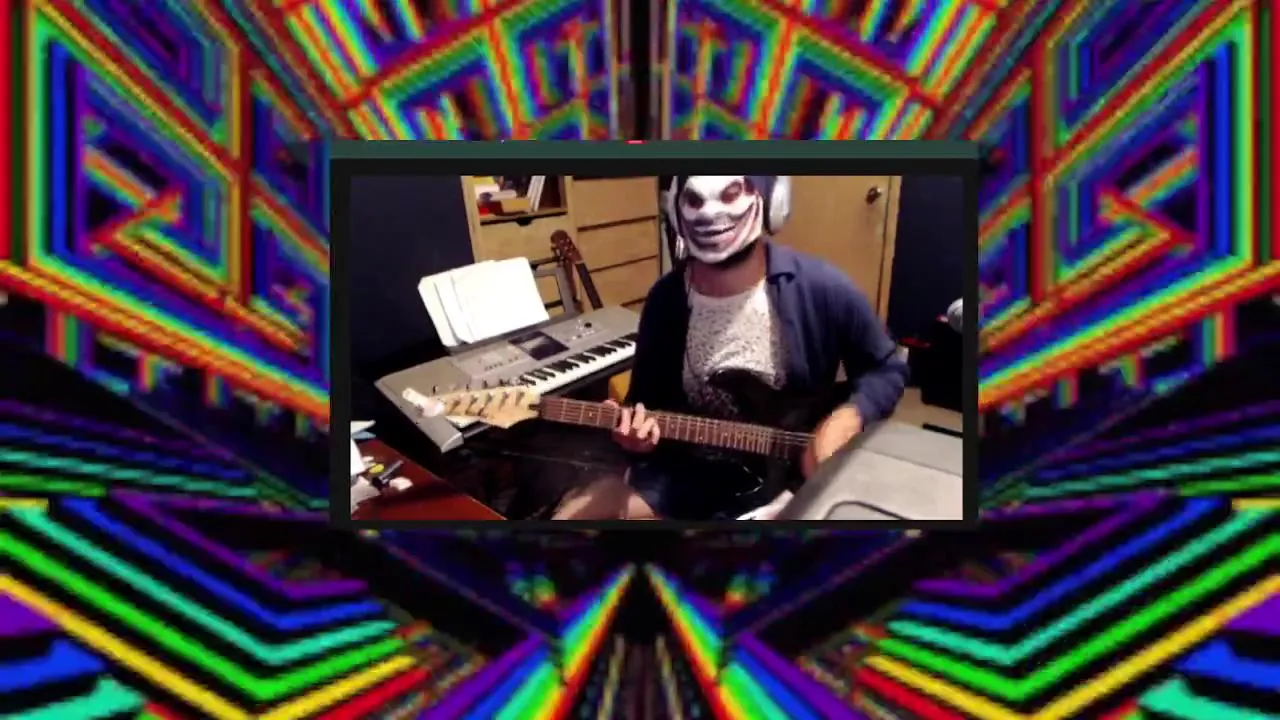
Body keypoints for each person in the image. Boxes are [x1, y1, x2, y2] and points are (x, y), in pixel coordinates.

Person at [553, 175, 908, 521]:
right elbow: (644, 403)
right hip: (688, 473)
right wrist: (637, 437)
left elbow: (887, 368)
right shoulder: (665, 299)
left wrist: (849, 416)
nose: (711, 213)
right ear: (675, 209)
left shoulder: (821, 286)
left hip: (788, 481)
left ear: (773, 201)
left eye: (731, 193)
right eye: (694, 199)